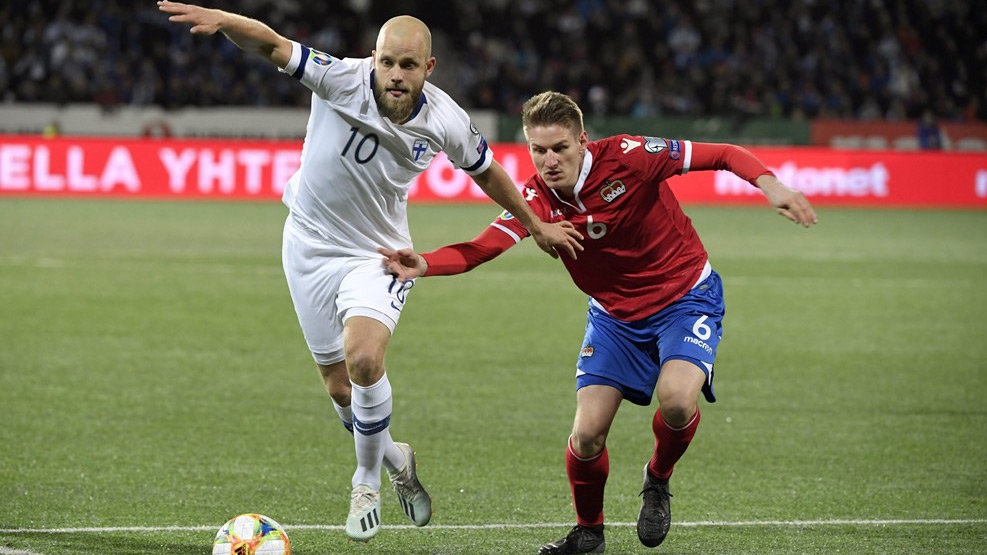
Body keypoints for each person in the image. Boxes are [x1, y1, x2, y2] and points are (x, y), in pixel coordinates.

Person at [158, 2, 583, 542]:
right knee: (339, 388)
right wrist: (226, 21)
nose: (395, 75)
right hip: (307, 245)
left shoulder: (446, 119)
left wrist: (536, 224)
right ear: (374, 60)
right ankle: (394, 456)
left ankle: (365, 480)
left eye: (408, 65)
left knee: (363, 359)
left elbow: (489, 173)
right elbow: (271, 44)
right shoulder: (340, 77)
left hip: (377, 255)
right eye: (387, 62)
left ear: (428, 69)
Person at [381, 91, 817, 553]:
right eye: (538, 150)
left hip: (686, 298)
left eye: (559, 148)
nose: (549, 161)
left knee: (676, 402)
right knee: (586, 436)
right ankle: (589, 532)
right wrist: (423, 263)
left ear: (583, 141)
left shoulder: (631, 156)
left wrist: (773, 186)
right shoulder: (533, 200)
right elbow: (480, 249)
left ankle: (657, 478)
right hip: (614, 318)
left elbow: (724, 154)